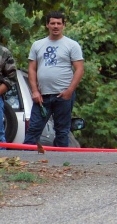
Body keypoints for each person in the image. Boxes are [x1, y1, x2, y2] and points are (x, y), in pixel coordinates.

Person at [23, 11, 84, 148]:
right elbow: (32, 69)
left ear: (63, 25)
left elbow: (79, 69)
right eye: (52, 23)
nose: (55, 26)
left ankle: (60, 163)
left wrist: (70, 90)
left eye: (58, 23)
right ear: (47, 25)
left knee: (62, 131)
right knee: (33, 129)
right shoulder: (38, 45)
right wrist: (34, 91)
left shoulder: (72, 45)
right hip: (42, 96)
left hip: (63, 95)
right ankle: (25, 160)